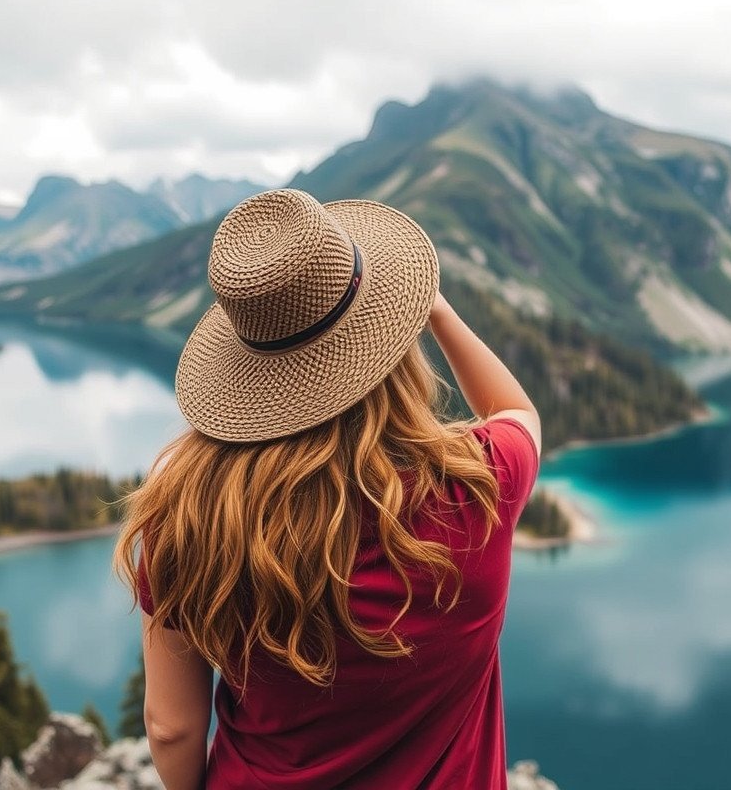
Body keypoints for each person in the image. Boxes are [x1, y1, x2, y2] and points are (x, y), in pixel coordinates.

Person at [113, 188, 542, 789]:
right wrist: (437, 311)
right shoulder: (475, 485)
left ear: (245, 367)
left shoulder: (187, 521)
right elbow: (518, 413)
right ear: (387, 340)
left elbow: (170, 728)